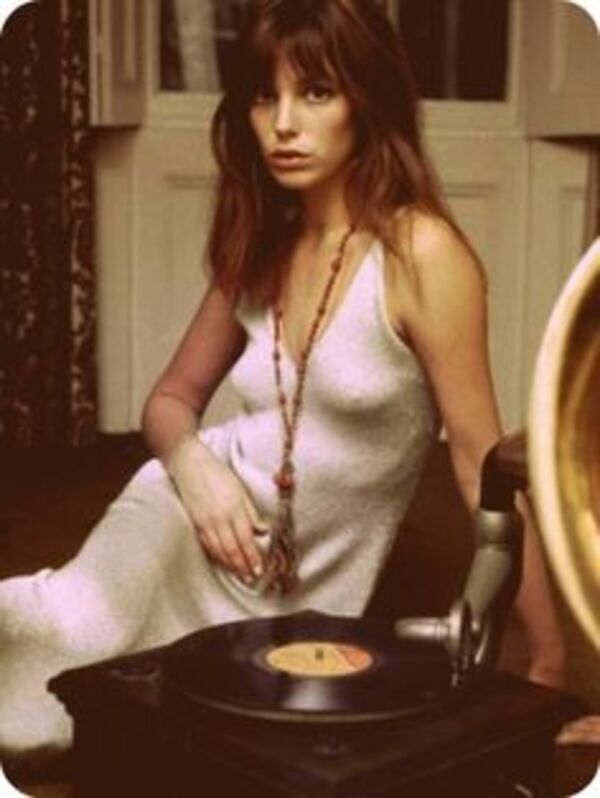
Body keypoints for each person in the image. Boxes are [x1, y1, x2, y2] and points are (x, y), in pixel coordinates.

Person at [0, 0, 566, 756]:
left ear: (367, 100)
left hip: (296, 600)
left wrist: (549, 662)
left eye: (316, 92)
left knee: (148, 726)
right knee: (62, 637)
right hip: (179, 524)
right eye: (265, 97)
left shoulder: (421, 255)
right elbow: (169, 401)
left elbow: (482, 468)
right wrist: (197, 472)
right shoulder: (263, 241)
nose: (283, 124)